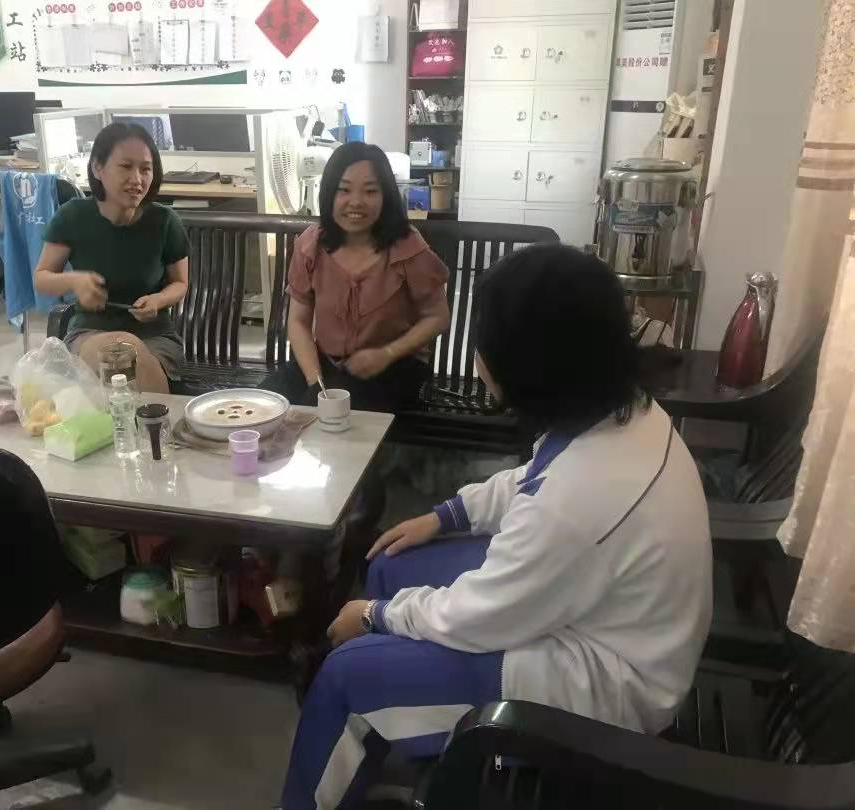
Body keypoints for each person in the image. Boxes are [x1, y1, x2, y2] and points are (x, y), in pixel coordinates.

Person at [280, 244, 712, 809]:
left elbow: (479, 615)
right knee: (391, 563)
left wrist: (371, 615)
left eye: (486, 343)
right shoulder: (620, 409)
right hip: (599, 620)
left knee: (345, 677)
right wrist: (445, 516)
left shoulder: (579, 499)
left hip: (603, 695)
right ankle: (428, 753)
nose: (479, 357)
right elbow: (535, 479)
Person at [270, 142, 451, 413]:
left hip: (393, 367)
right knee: (263, 408)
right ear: (329, 193)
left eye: (370, 191)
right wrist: (315, 384)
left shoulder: (407, 247)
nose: (356, 202)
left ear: (386, 195)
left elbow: (437, 316)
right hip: (322, 365)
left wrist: (387, 354)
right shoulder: (311, 245)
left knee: (341, 419)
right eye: (344, 190)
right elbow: (298, 320)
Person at [34, 122, 189, 394]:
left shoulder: (165, 221)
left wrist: (157, 300)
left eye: (145, 169)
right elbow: (42, 278)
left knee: (129, 355)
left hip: (154, 337)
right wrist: (75, 281)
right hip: (90, 333)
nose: (137, 179)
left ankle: (151, 419)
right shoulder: (73, 216)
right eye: (126, 167)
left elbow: (180, 283)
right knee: (117, 352)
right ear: (98, 168)